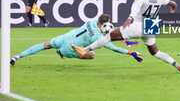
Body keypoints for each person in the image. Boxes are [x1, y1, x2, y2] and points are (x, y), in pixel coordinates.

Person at [72, 0, 180, 73]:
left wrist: (129, 18)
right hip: (151, 26)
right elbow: (173, 3)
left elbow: (136, 8)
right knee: (156, 52)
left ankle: (84, 50)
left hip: (138, 25)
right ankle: (177, 65)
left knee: (108, 37)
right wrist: (173, 8)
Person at [10, 14, 142, 66]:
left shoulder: (91, 21)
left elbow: (106, 32)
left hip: (65, 37)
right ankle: (62, 53)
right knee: (92, 54)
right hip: (70, 47)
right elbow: (112, 47)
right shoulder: (97, 36)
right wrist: (129, 52)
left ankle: (18, 56)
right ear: (104, 24)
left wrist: (123, 40)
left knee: (45, 45)